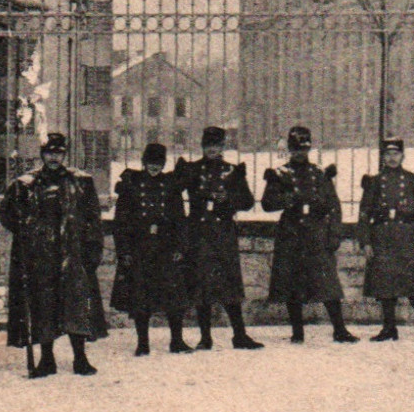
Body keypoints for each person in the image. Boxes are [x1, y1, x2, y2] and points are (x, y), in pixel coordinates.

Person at [0, 132, 107, 377]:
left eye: (58, 153)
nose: (54, 158)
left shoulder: (81, 182)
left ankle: (80, 358)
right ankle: (47, 360)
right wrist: (25, 229)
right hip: (41, 257)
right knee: (43, 307)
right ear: (42, 154)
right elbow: (6, 213)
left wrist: (93, 250)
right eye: (49, 153)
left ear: (65, 154)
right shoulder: (26, 184)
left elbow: (93, 219)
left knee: (76, 306)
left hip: (73, 254)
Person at [262, 125, 357, 344]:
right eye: (295, 149)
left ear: (309, 149)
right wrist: (288, 200)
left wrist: (334, 234)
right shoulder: (280, 174)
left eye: (303, 149)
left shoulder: (319, 173)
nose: (299, 154)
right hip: (291, 234)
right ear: (289, 150)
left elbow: (333, 206)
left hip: (316, 233)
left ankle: (339, 329)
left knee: (328, 283)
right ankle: (298, 331)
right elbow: (267, 203)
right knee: (292, 284)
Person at [175, 125, 262, 350]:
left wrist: (228, 198)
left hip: (223, 234)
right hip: (199, 234)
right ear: (202, 147)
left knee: (230, 285)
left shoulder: (232, 171)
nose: (212, 150)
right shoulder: (192, 169)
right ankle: (206, 337)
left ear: (223, 147)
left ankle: (239, 335)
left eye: (216, 146)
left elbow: (248, 201)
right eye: (208, 146)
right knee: (202, 286)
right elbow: (174, 190)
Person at [111, 142, 193, 355]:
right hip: (141, 248)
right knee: (141, 297)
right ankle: (143, 343)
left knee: (174, 297)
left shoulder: (170, 185)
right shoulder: (131, 183)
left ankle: (177, 341)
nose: (154, 167)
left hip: (166, 247)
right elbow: (121, 221)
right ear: (144, 162)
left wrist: (180, 247)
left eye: (159, 163)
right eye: (150, 163)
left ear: (164, 164)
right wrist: (124, 251)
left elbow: (180, 219)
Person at [359, 136, 414, 342]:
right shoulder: (374, 182)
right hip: (383, 236)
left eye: (396, 154)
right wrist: (366, 242)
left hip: (407, 236)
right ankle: (389, 329)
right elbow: (364, 214)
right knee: (385, 284)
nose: (392, 158)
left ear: (403, 156)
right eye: (388, 154)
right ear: (383, 156)